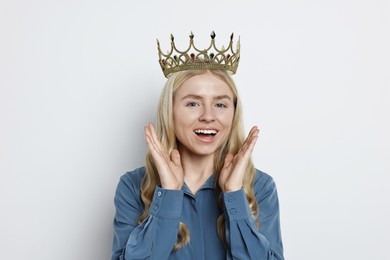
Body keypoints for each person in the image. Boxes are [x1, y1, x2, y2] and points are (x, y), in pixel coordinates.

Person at [111, 32, 284, 260]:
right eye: (193, 103)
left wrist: (234, 195)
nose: (208, 116)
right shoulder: (133, 187)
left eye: (220, 104)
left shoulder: (260, 187)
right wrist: (169, 194)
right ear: (170, 111)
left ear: (233, 113)